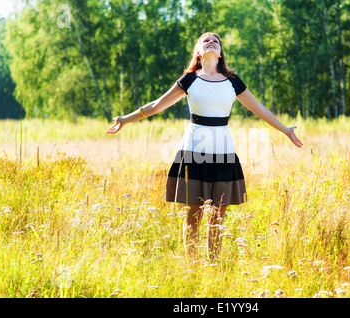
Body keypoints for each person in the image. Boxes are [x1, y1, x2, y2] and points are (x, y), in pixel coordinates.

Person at [107, 32, 303, 261]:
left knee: (218, 215)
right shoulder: (189, 80)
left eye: (216, 41)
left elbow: (259, 109)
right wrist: (124, 119)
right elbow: (156, 105)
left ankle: (213, 266)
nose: (211, 42)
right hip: (193, 155)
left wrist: (286, 130)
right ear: (198, 52)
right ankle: (191, 266)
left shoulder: (233, 82)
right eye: (206, 40)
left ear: (220, 53)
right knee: (193, 214)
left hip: (224, 155)